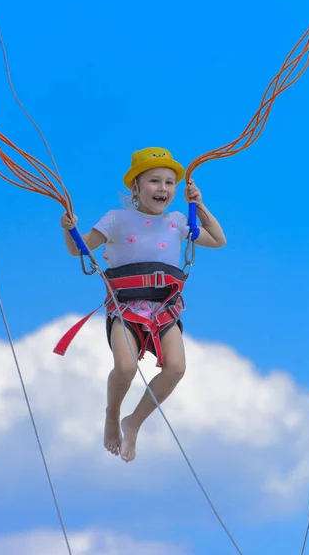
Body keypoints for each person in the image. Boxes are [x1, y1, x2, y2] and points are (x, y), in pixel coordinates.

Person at [60, 147, 226, 462]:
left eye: (169, 182)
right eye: (153, 181)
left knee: (176, 368)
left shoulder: (178, 221)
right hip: (126, 308)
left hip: (164, 310)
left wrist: (199, 206)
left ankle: (133, 422)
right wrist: (68, 228)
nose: (162, 188)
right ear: (135, 186)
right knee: (125, 367)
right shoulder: (117, 219)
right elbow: (77, 249)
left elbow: (218, 240)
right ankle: (113, 414)